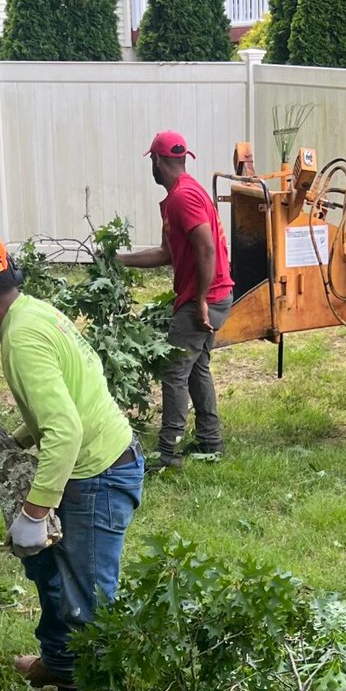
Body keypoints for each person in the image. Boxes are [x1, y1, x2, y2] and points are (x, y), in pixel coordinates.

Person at [0, 236, 143, 691]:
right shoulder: (33, 312)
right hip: (95, 464)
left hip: (99, 475)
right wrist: (15, 441)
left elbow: (65, 430)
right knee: (52, 571)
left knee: (87, 595)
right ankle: (59, 662)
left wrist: (34, 513)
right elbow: (66, 399)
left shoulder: (22, 339)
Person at [118, 130, 233, 470]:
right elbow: (167, 253)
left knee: (174, 370)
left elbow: (207, 248)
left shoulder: (183, 197)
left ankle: (168, 452)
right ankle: (210, 441)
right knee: (196, 368)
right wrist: (120, 260)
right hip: (211, 295)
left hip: (206, 297)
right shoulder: (180, 195)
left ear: (156, 160)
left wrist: (200, 300)